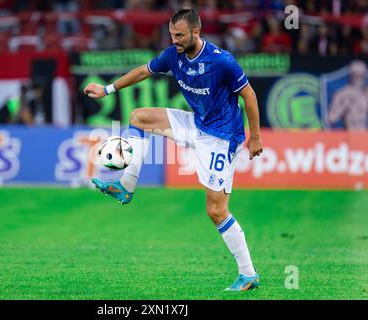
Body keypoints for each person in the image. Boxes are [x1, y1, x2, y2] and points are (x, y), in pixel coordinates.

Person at [84, 8, 263, 292]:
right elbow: (144, 70)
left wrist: (254, 136)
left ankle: (249, 274)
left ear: (196, 32)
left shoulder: (222, 62)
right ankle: (125, 186)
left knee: (216, 211)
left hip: (221, 136)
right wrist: (107, 89)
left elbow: (249, 95)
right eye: (172, 35)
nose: (175, 40)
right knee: (138, 117)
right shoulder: (173, 55)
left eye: (179, 35)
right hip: (195, 123)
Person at [328, 60, 368, 130]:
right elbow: (331, 118)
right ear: (351, 75)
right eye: (357, 75)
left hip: (364, 134)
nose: (360, 78)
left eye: (362, 75)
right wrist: (344, 105)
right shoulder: (342, 93)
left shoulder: (365, 92)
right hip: (350, 133)